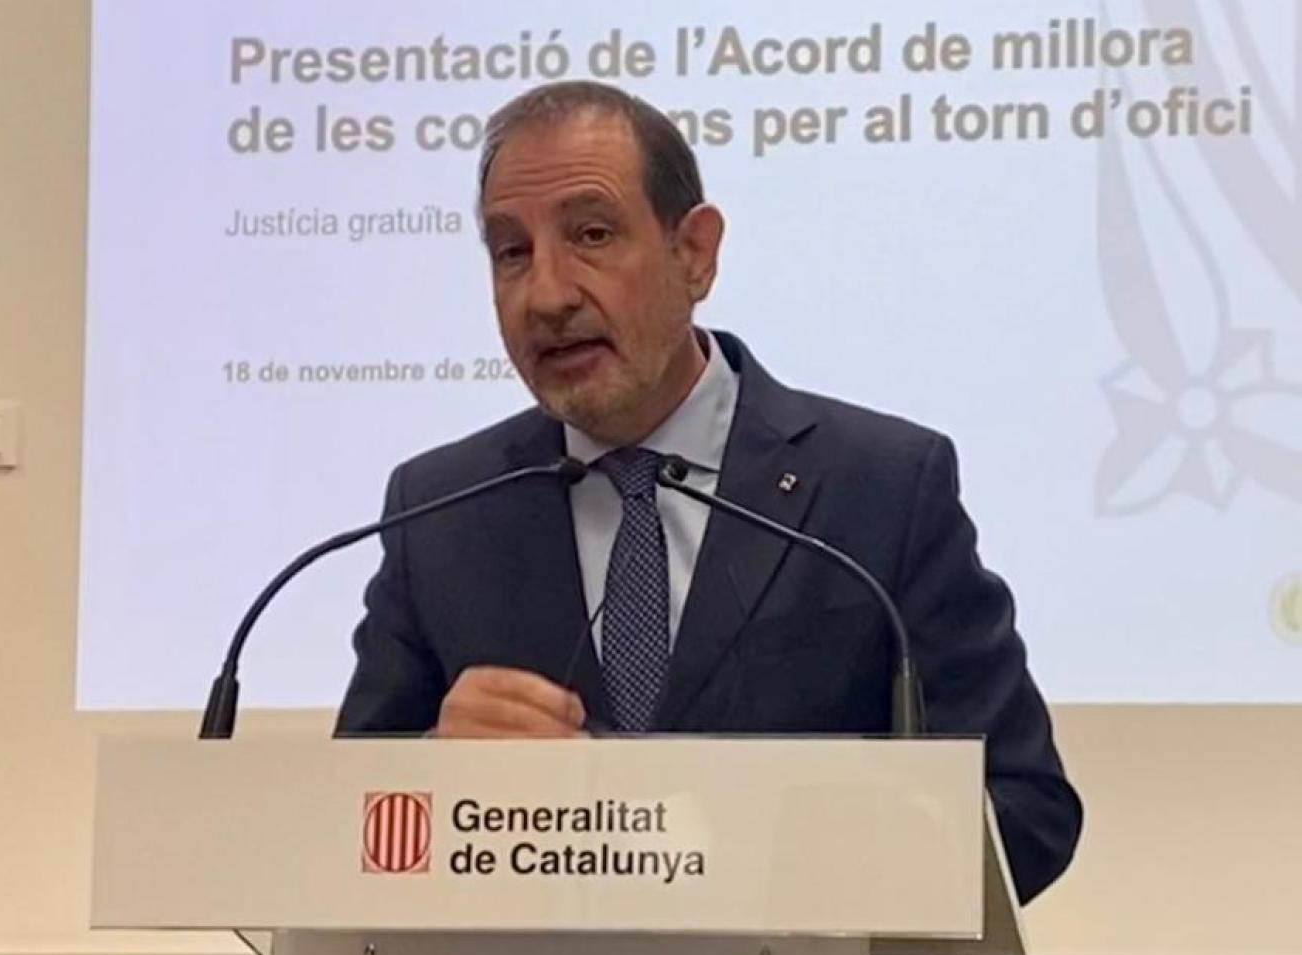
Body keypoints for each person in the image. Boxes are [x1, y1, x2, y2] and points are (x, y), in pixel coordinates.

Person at [334, 80, 1081, 903]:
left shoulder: (882, 486)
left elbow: (1026, 812)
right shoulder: (441, 510)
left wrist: (742, 842)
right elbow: (337, 836)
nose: (547, 295)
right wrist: (434, 776)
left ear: (695, 253)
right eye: (512, 252)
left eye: (591, 234)